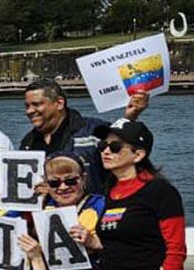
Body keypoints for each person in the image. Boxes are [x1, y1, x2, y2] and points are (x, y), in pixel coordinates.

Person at [79, 120, 186, 270]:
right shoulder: (110, 190)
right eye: (102, 145)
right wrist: (92, 242)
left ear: (138, 155)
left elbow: (175, 246)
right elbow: (118, 243)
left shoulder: (160, 191)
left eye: (115, 147)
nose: (106, 151)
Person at [18, 78, 147, 194]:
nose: (29, 111)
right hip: (51, 216)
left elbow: (124, 153)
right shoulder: (28, 143)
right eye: (27, 106)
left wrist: (131, 116)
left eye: (37, 104)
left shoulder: (94, 131)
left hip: (95, 213)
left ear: (59, 103)